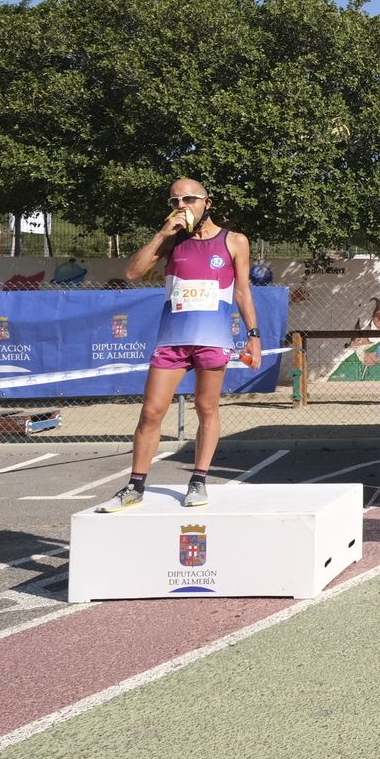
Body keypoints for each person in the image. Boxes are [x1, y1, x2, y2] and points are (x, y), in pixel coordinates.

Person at [96, 179, 261, 512]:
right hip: (172, 340)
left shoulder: (234, 241)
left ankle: (198, 481)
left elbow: (242, 291)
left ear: (207, 203)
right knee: (152, 411)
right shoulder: (172, 240)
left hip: (211, 339)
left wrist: (254, 335)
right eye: (175, 201)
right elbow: (131, 273)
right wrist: (162, 235)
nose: (182, 205)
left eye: (189, 199)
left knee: (206, 408)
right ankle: (135, 485)